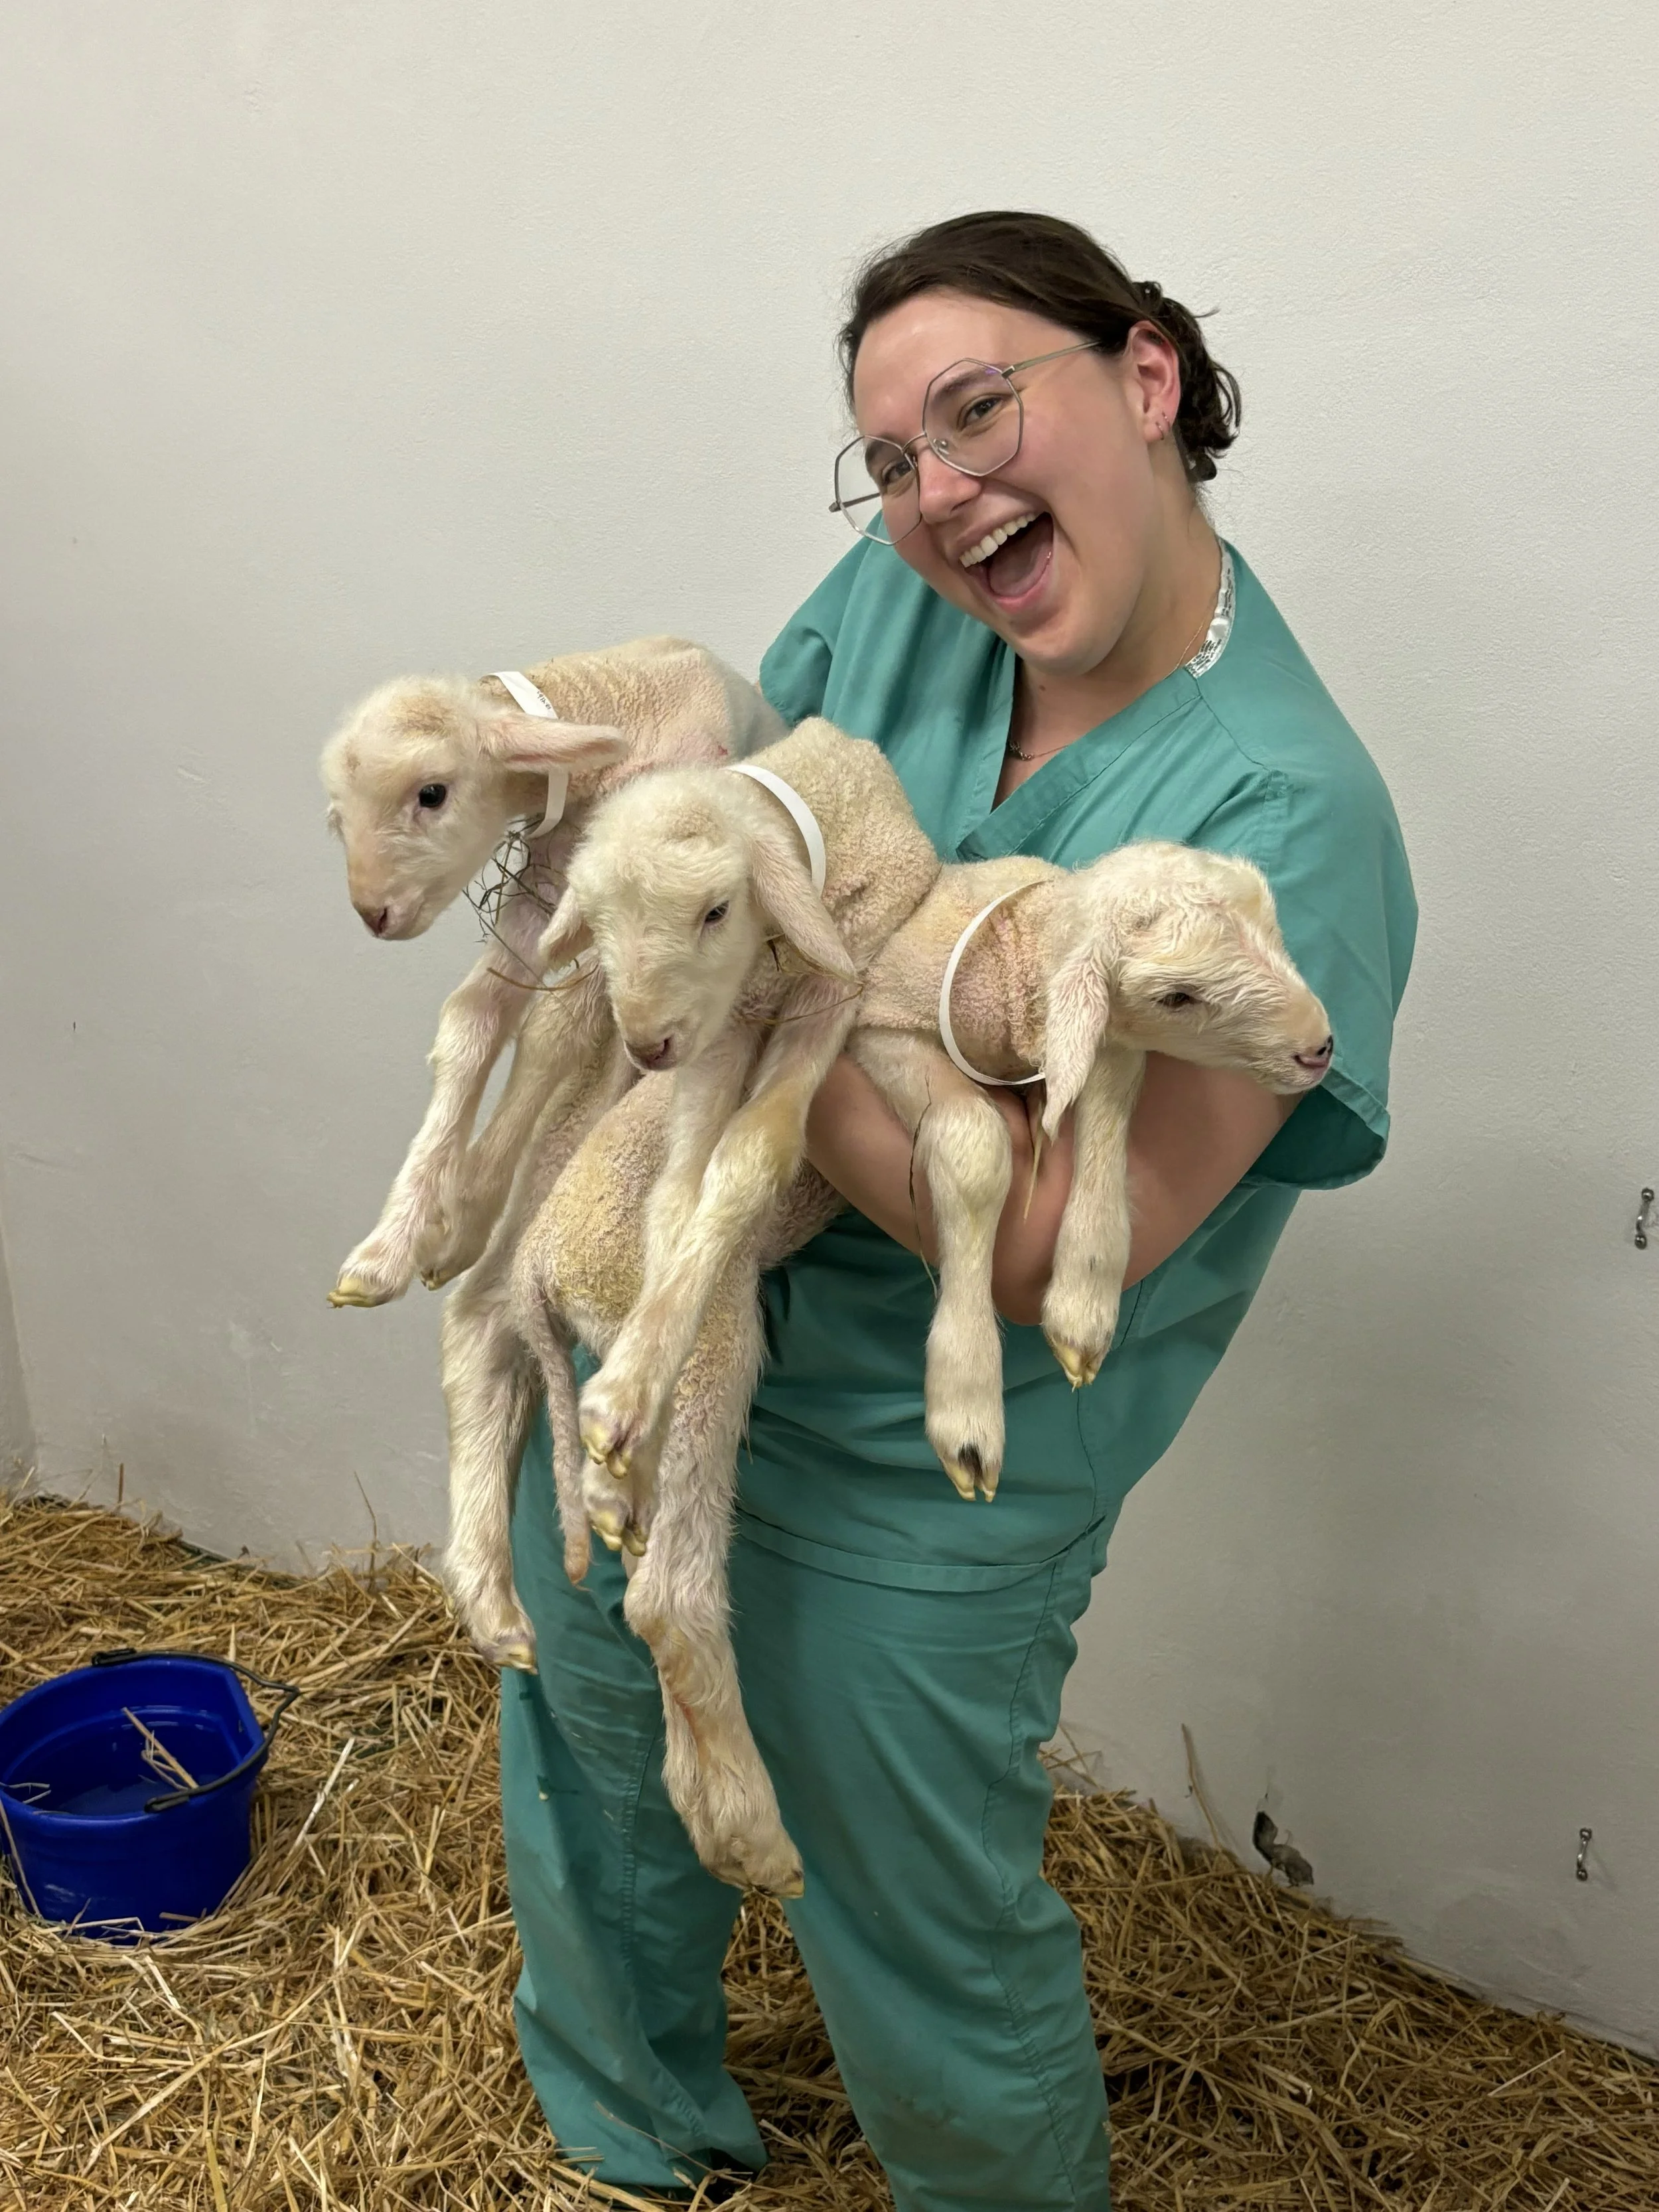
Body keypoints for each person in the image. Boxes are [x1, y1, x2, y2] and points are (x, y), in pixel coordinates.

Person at [498, 210, 1416, 2209]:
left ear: (1146, 379)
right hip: (656, 1318)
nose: (935, 492)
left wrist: (771, 982)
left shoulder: (1283, 826)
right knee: (588, 1746)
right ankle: (629, 2136)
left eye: (977, 409)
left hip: (925, 1476)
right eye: (893, 459)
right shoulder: (907, 603)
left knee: (907, 1921)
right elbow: (757, 808)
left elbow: (1028, 1253)